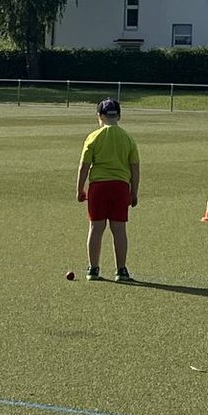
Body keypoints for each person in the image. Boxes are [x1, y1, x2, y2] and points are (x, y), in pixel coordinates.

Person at [76, 97, 140, 282]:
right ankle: (121, 270)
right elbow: (135, 168)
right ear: (119, 116)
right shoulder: (127, 138)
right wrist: (134, 192)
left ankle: (93, 269)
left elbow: (84, 166)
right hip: (120, 187)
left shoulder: (93, 137)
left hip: (98, 187)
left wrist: (80, 190)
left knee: (96, 228)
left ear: (99, 116)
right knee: (119, 229)